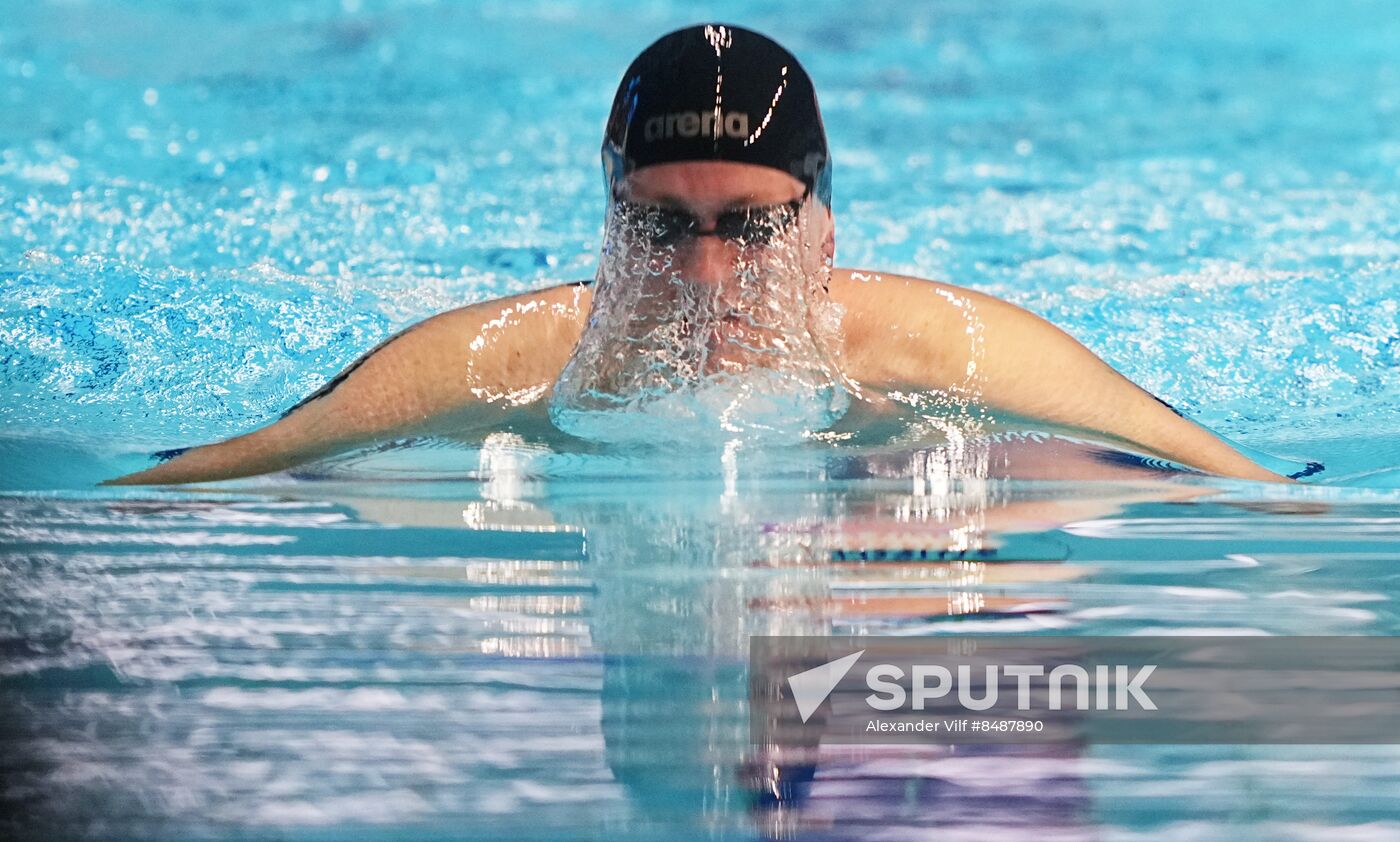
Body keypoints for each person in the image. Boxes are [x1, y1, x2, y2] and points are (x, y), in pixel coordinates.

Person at [108, 24, 1293, 486]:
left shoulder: (940, 346)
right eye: (662, 225)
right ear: (609, 223)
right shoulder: (496, 364)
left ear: (826, 228)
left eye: (752, 224)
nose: (706, 275)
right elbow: (194, 476)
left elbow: (1244, 485)